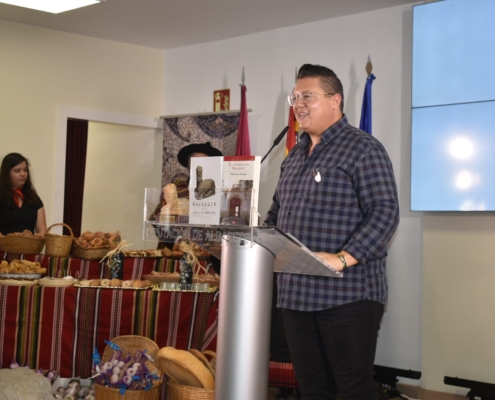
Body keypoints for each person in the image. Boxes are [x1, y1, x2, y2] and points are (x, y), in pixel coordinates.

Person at [265, 64, 400, 400]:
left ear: (335, 100)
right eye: (294, 97)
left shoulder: (363, 148)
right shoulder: (294, 156)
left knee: (352, 390)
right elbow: (277, 215)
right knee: (312, 389)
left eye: (307, 96)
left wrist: (343, 258)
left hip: (347, 296)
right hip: (296, 296)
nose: (297, 104)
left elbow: (385, 212)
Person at [0, 153, 47, 236]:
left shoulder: (34, 198)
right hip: (3, 248)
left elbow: (42, 230)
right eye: (17, 171)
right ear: (7, 173)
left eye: (25, 170)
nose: (23, 174)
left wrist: (37, 238)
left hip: (29, 248)